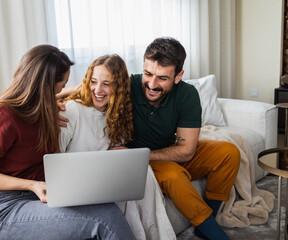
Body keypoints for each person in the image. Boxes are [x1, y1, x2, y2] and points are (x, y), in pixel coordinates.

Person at [58, 37, 240, 240]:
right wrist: (50, 100)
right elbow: (92, 87)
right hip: (144, 160)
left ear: (178, 76)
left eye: (162, 78)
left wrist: (141, 154)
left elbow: (187, 150)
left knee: (228, 152)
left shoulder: (187, 94)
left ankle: (207, 223)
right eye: (148, 74)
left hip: (165, 151)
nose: (152, 84)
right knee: (173, 176)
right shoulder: (130, 85)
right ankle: (215, 234)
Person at [0, 45, 136, 240]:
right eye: (62, 85)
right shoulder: (3, 118)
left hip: (48, 196)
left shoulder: (43, 107)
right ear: (45, 85)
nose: (63, 89)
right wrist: (32, 185)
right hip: (10, 209)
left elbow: (48, 96)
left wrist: (71, 93)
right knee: (106, 218)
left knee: (107, 206)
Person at [59, 54, 175, 240]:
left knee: (142, 173)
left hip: (101, 181)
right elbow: (56, 159)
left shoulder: (115, 114)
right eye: (93, 81)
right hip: (77, 187)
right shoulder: (72, 110)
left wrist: (118, 154)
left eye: (107, 84)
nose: (98, 89)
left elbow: (110, 151)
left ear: (118, 87)